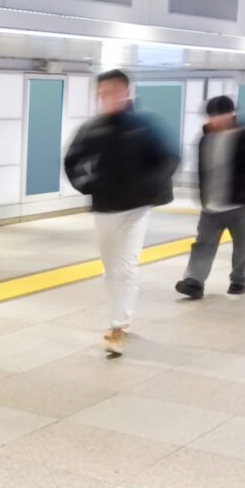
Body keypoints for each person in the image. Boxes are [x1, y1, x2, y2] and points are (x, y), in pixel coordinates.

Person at [64, 69, 179, 357]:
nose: (107, 98)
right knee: (110, 268)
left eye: (113, 92)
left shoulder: (144, 124)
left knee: (126, 266)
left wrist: (148, 188)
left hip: (136, 208)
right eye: (102, 94)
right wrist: (87, 186)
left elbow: (169, 158)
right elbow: (72, 161)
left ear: (125, 92)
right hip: (104, 207)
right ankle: (119, 317)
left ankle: (118, 325)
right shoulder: (93, 127)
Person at [175, 96, 245, 300]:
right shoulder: (205, 138)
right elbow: (204, 170)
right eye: (212, 115)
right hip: (211, 206)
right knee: (202, 244)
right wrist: (202, 197)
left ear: (231, 113)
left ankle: (238, 280)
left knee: (242, 246)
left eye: (220, 114)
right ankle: (194, 281)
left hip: (241, 203)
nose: (216, 119)